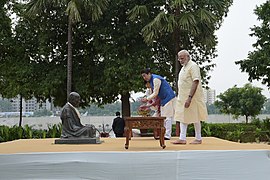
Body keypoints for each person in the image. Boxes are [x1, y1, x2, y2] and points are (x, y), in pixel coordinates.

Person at [172, 50, 208, 145]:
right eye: (179, 58)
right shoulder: (184, 68)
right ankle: (182, 138)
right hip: (182, 97)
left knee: (195, 117)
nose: (180, 60)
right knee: (182, 117)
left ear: (188, 57)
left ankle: (198, 138)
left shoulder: (193, 66)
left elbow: (195, 81)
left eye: (182, 58)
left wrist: (190, 97)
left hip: (193, 97)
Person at [141, 68, 176, 140]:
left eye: (145, 76)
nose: (144, 78)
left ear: (149, 74)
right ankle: (163, 134)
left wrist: (147, 99)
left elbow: (156, 93)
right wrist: (147, 105)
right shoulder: (151, 81)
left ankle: (168, 135)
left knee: (167, 117)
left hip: (168, 98)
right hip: (163, 99)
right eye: (143, 76)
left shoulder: (155, 79)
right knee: (163, 117)